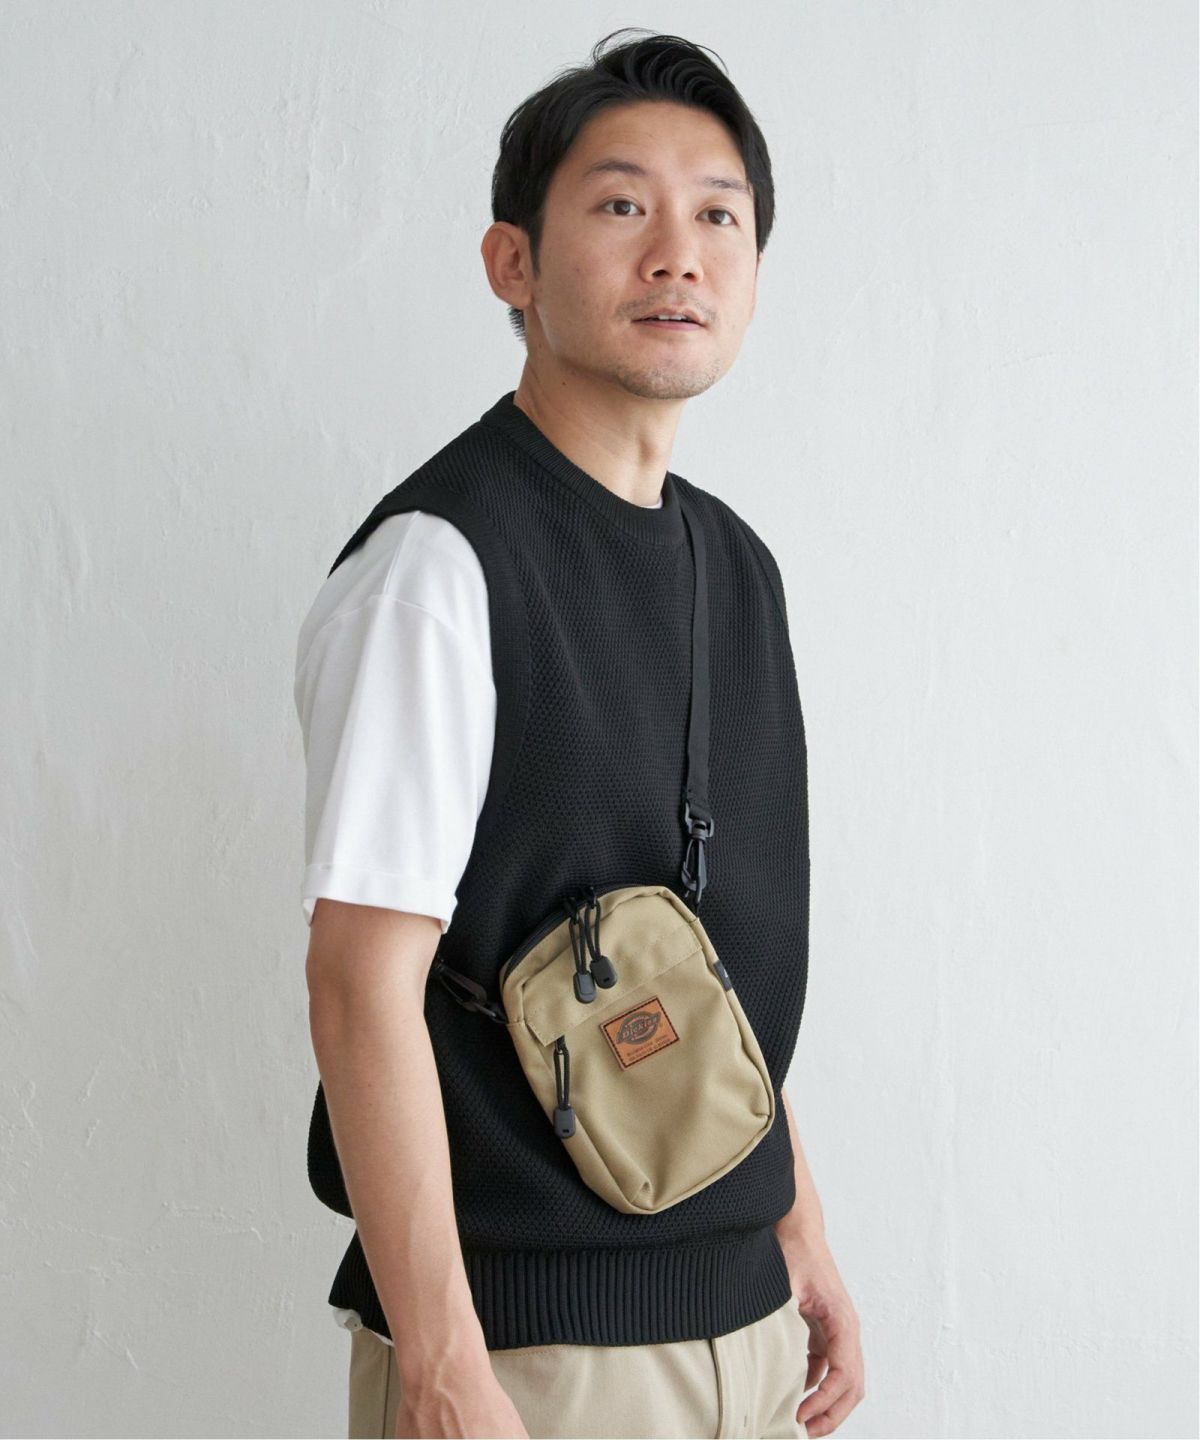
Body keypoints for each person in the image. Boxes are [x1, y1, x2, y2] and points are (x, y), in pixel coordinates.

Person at [295, 27, 865, 1440]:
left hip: (746, 1326)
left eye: (718, 216)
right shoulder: (439, 569)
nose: (679, 255)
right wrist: (441, 1368)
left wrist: (795, 1226)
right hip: (529, 1360)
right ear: (513, 263)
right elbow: (360, 983)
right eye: (622, 205)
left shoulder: (737, 568)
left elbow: (705, 957)